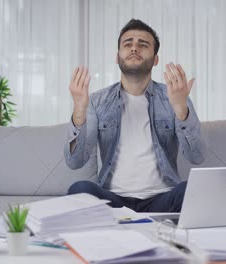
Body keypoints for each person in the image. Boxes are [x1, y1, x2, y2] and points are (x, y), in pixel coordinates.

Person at [64, 19, 204, 212]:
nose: (134, 48)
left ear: (155, 59)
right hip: (113, 201)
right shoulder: (97, 101)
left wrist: (181, 109)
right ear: (117, 56)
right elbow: (74, 162)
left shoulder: (175, 96)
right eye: (128, 44)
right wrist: (79, 111)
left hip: (162, 199)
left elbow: (197, 156)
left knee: (190, 190)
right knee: (79, 190)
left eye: (143, 44)